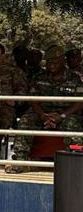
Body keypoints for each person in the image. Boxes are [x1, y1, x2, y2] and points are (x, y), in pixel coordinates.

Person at [6, 46, 83, 174]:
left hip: (66, 114)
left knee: (73, 124)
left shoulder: (75, 78)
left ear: (63, 61)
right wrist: (43, 115)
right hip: (42, 113)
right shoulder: (39, 77)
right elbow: (33, 100)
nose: (51, 66)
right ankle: (20, 161)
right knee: (25, 120)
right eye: (49, 62)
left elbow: (79, 103)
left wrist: (61, 116)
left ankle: (75, 163)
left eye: (55, 62)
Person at [0, 42, 28, 130]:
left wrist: (15, 101)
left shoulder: (13, 70)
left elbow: (22, 89)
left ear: (3, 55)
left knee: (3, 120)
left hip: (3, 106)